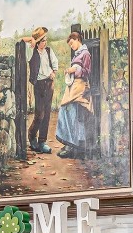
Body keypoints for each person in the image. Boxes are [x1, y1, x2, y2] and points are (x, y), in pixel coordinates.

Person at [55, 31, 95, 159]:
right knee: (68, 112)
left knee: (71, 113)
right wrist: (70, 71)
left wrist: (74, 70)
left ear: (77, 39)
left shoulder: (85, 54)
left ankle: (73, 145)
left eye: (72, 43)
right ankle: (70, 143)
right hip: (73, 88)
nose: (71, 46)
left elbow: (87, 72)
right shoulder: (77, 54)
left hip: (80, 88)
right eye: (70, 45)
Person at [20, 26, 58, 154]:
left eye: (45, 40)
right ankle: (31, 135)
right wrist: (32, 40)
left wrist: (54, 72)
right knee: (39, 113)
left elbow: (55, 63)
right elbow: (21, 40)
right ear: (37, 42)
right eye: (42, 40)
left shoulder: (48, 51)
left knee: (47, 113)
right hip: (39, 84)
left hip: (49, 83)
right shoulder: (31, 51)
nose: (45, 42)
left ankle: (42, 141)